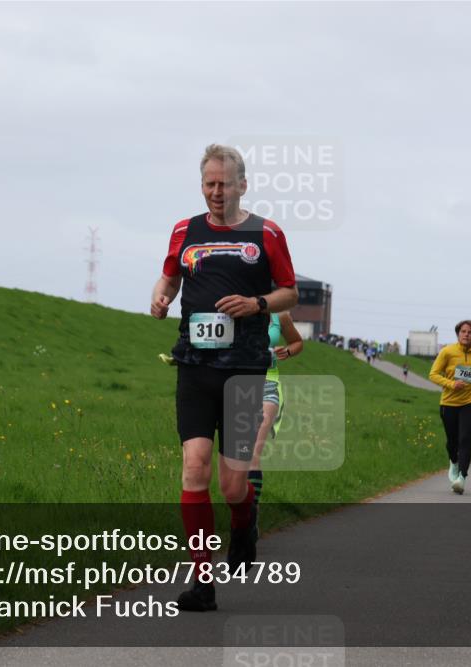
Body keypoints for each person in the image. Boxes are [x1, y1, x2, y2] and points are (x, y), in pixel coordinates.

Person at [150, 144, 298, 612]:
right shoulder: (184, 231)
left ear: (242, 185)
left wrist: (256, 304)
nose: (216, 192)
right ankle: (202, 583)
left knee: (233, 486)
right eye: (209, 184)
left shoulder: (267, 233)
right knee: (195, 467)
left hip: (243, 371)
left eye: (224, 184)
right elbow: (169, 279)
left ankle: (244, 520)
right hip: (194, 366)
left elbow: (289, 291)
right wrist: (160, 298)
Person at [428, 320, 471, 494]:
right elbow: (433, 374)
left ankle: (462, 477)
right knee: (452, 440)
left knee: (465, 438)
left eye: (470, 332)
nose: (466, 334)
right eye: (463, 331)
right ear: (458, 333)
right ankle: (454, 462)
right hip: (449, 402)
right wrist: (450, 383)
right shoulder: (447, 352)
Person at [248, 311, 303, 511]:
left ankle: (250, 516)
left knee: (253, 452)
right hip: (238, 385)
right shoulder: (235, 307)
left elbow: (297, 342)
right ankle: (240, 510)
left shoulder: (280, 316)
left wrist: (287, 351)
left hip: (268, 384)